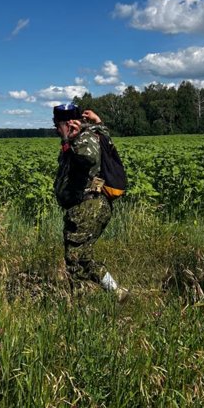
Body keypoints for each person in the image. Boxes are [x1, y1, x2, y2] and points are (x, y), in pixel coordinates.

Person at [53, 103, 127, 300]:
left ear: (68, 123)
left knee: (75, 260)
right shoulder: (93, 133)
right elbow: (102, 134)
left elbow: (89, 157)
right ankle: (117, 293)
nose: (56, 129)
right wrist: (98, 122)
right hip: (87, 207)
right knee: (84, 258)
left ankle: (80, 305)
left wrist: (71, 138)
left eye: (58, 124)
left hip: (88, 207)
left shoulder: (83, 138)